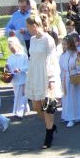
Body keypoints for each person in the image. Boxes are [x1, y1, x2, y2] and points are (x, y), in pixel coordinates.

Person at [24, 15, 59, 149]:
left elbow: (52, 60)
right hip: (35, 74)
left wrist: (52, 79)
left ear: (35, 25)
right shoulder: (32, 39)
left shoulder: (48, 40)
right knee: (36, 107)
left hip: (46, 74)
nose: (27, 29)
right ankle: (51, 126)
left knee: (47, 106)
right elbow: (32, 57)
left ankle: (48, 134)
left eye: (28, 26)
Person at [59, 33, 80, 128]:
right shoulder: (63, 55)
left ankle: (74, 116)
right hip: (65, 78)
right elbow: (61, 67)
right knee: (66, 98)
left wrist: (78, 66)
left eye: (66, 44)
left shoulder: (75, 54)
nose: (64, 46)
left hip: (74, 77)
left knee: (74, 97)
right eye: (63, 44)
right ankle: (68, 116)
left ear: (70, 44)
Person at [5, 36, 29, 119]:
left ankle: (19, 112)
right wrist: (6, 68)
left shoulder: (23, 56)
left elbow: (27, 66)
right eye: (10, 48)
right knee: (17, 94)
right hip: (14, 79)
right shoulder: (10, 57)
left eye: (13, 47)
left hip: (22, 78)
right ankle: (25, 109)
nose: (12, 49)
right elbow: (7, 67)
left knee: (20, 96)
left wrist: (20, 69)